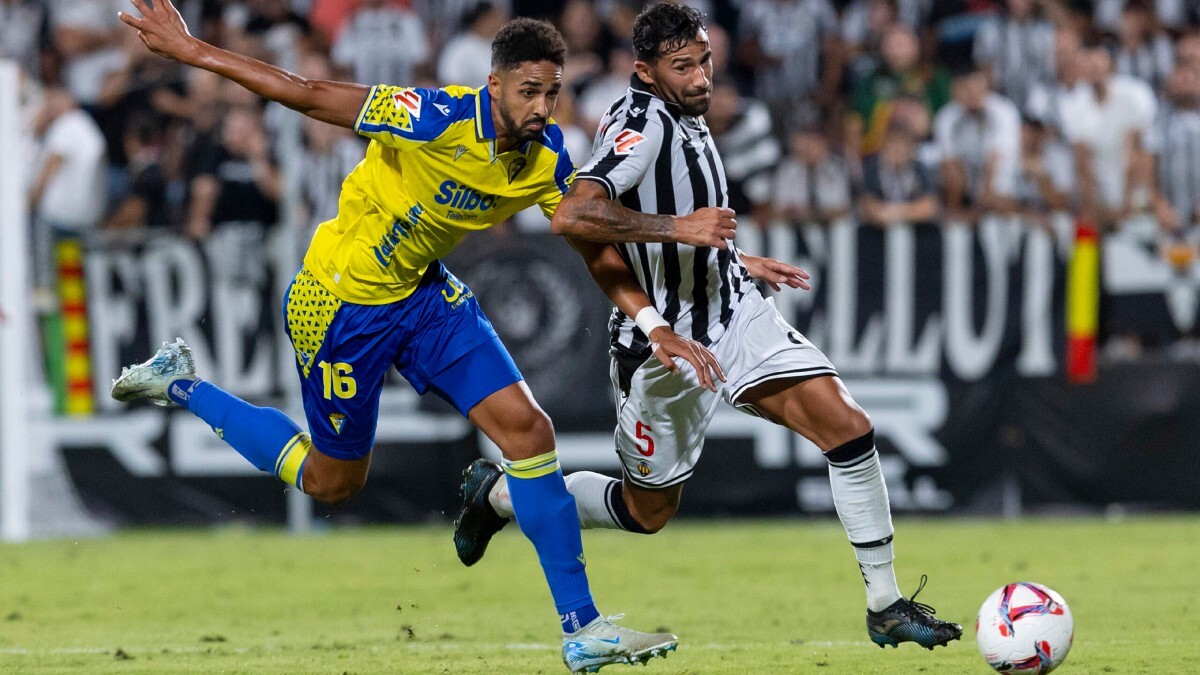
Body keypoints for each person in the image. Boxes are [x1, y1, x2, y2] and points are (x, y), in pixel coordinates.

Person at [108, 1, 734, 671]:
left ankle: (582, 629)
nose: (542, 107)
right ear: (493, 86)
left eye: (552, 92)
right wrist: (194, 49)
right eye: (528, 91)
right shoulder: (433, 116)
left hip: (425, 296)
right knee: (332, 480)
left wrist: (653, 321)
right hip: (340, 301)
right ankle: (181, 380)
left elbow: (592, 244)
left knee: (528, 432)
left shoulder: (546, 156)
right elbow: (312, 95)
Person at [452, 2, 963, 652]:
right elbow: (576, 212)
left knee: (849, 426)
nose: (700, 78)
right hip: (661, 346)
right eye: (683, 66)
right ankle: (499, 495)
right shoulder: (639, 121)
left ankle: (885, 603)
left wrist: (729, 256)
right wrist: (680, 230)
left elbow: (675, 219)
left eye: (705, 62)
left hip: (735, 312)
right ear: (644, 70)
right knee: (645, 511)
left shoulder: (684, 113)